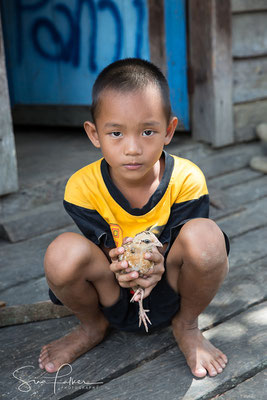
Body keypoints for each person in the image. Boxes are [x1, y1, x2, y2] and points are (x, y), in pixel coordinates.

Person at [39, 58, 230, 378]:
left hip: (171, 289)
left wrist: (157, 263)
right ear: (94, 133)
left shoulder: (186, 179)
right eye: (115, 132)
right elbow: (97, 252)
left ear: (169, 130)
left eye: (147, 131)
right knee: (60, 254)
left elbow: (190, 248)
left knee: (208, 238)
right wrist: (122, 266)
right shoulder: (81, 187)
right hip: (110, 292)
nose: (132, 148)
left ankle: (187, 327)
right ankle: (91, 326)